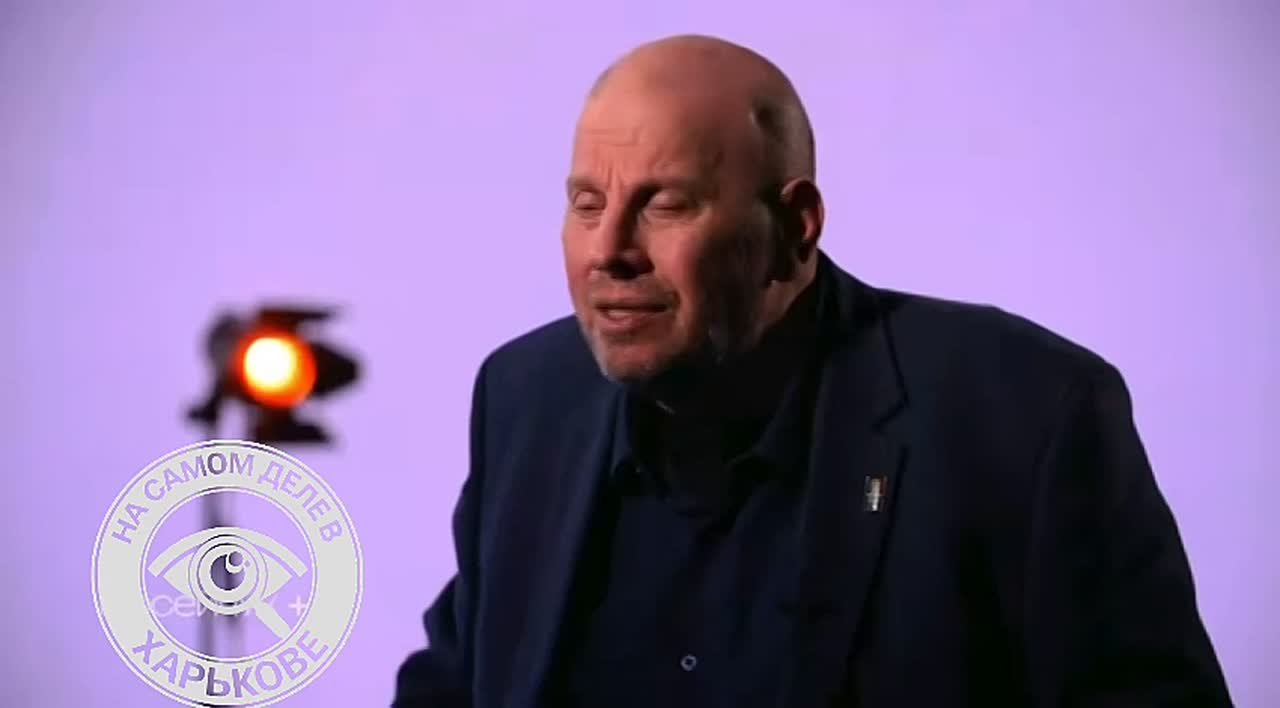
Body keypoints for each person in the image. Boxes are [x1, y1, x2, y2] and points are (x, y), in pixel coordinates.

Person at [392, 34, 1232, 708]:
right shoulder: (527, 399)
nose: (608, 250)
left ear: (795, 227)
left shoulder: (1023, 415)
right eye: (587, 204)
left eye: (665, 204)